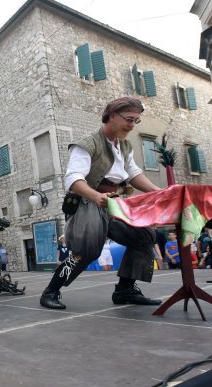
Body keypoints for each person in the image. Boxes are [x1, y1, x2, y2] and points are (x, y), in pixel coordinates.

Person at [40, 97, 162, 310]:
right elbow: (73, 179)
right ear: (112, 115)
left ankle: (125, 289)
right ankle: (51, 291)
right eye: (129, 119)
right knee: (86, 251)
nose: (132, 125)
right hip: (88, 203)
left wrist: (158, 192)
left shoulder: (124, 145)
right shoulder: (88, 143)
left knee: (144, 236)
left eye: (136, 121)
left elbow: (133, 173)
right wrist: (96, 196)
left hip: (113, 202)